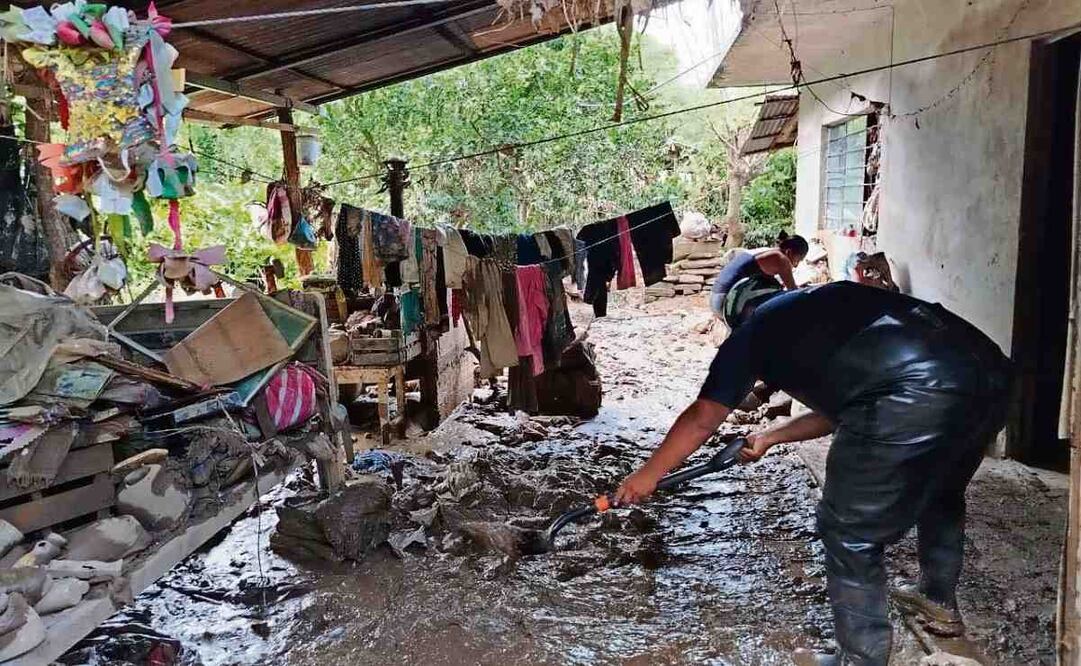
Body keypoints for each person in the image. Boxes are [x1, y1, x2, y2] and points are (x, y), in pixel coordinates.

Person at [615, 277, 1013, 665]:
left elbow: (704, 417)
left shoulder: (754, 331)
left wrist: (648, 473)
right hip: (990, 374)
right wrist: (771, 436)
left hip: (916, 391)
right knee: (941, 489)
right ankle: (937, 600)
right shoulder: (827, 303)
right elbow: (847, 404)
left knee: (849, 532)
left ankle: (860, 658)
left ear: (739, 314)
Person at [709, 233, 809, 317]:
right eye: (798, 260)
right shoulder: (781, 259)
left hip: (715, 297)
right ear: (789, 252)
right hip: (725, 302)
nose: (796, 265)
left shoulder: (767, 251)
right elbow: (793, 291)